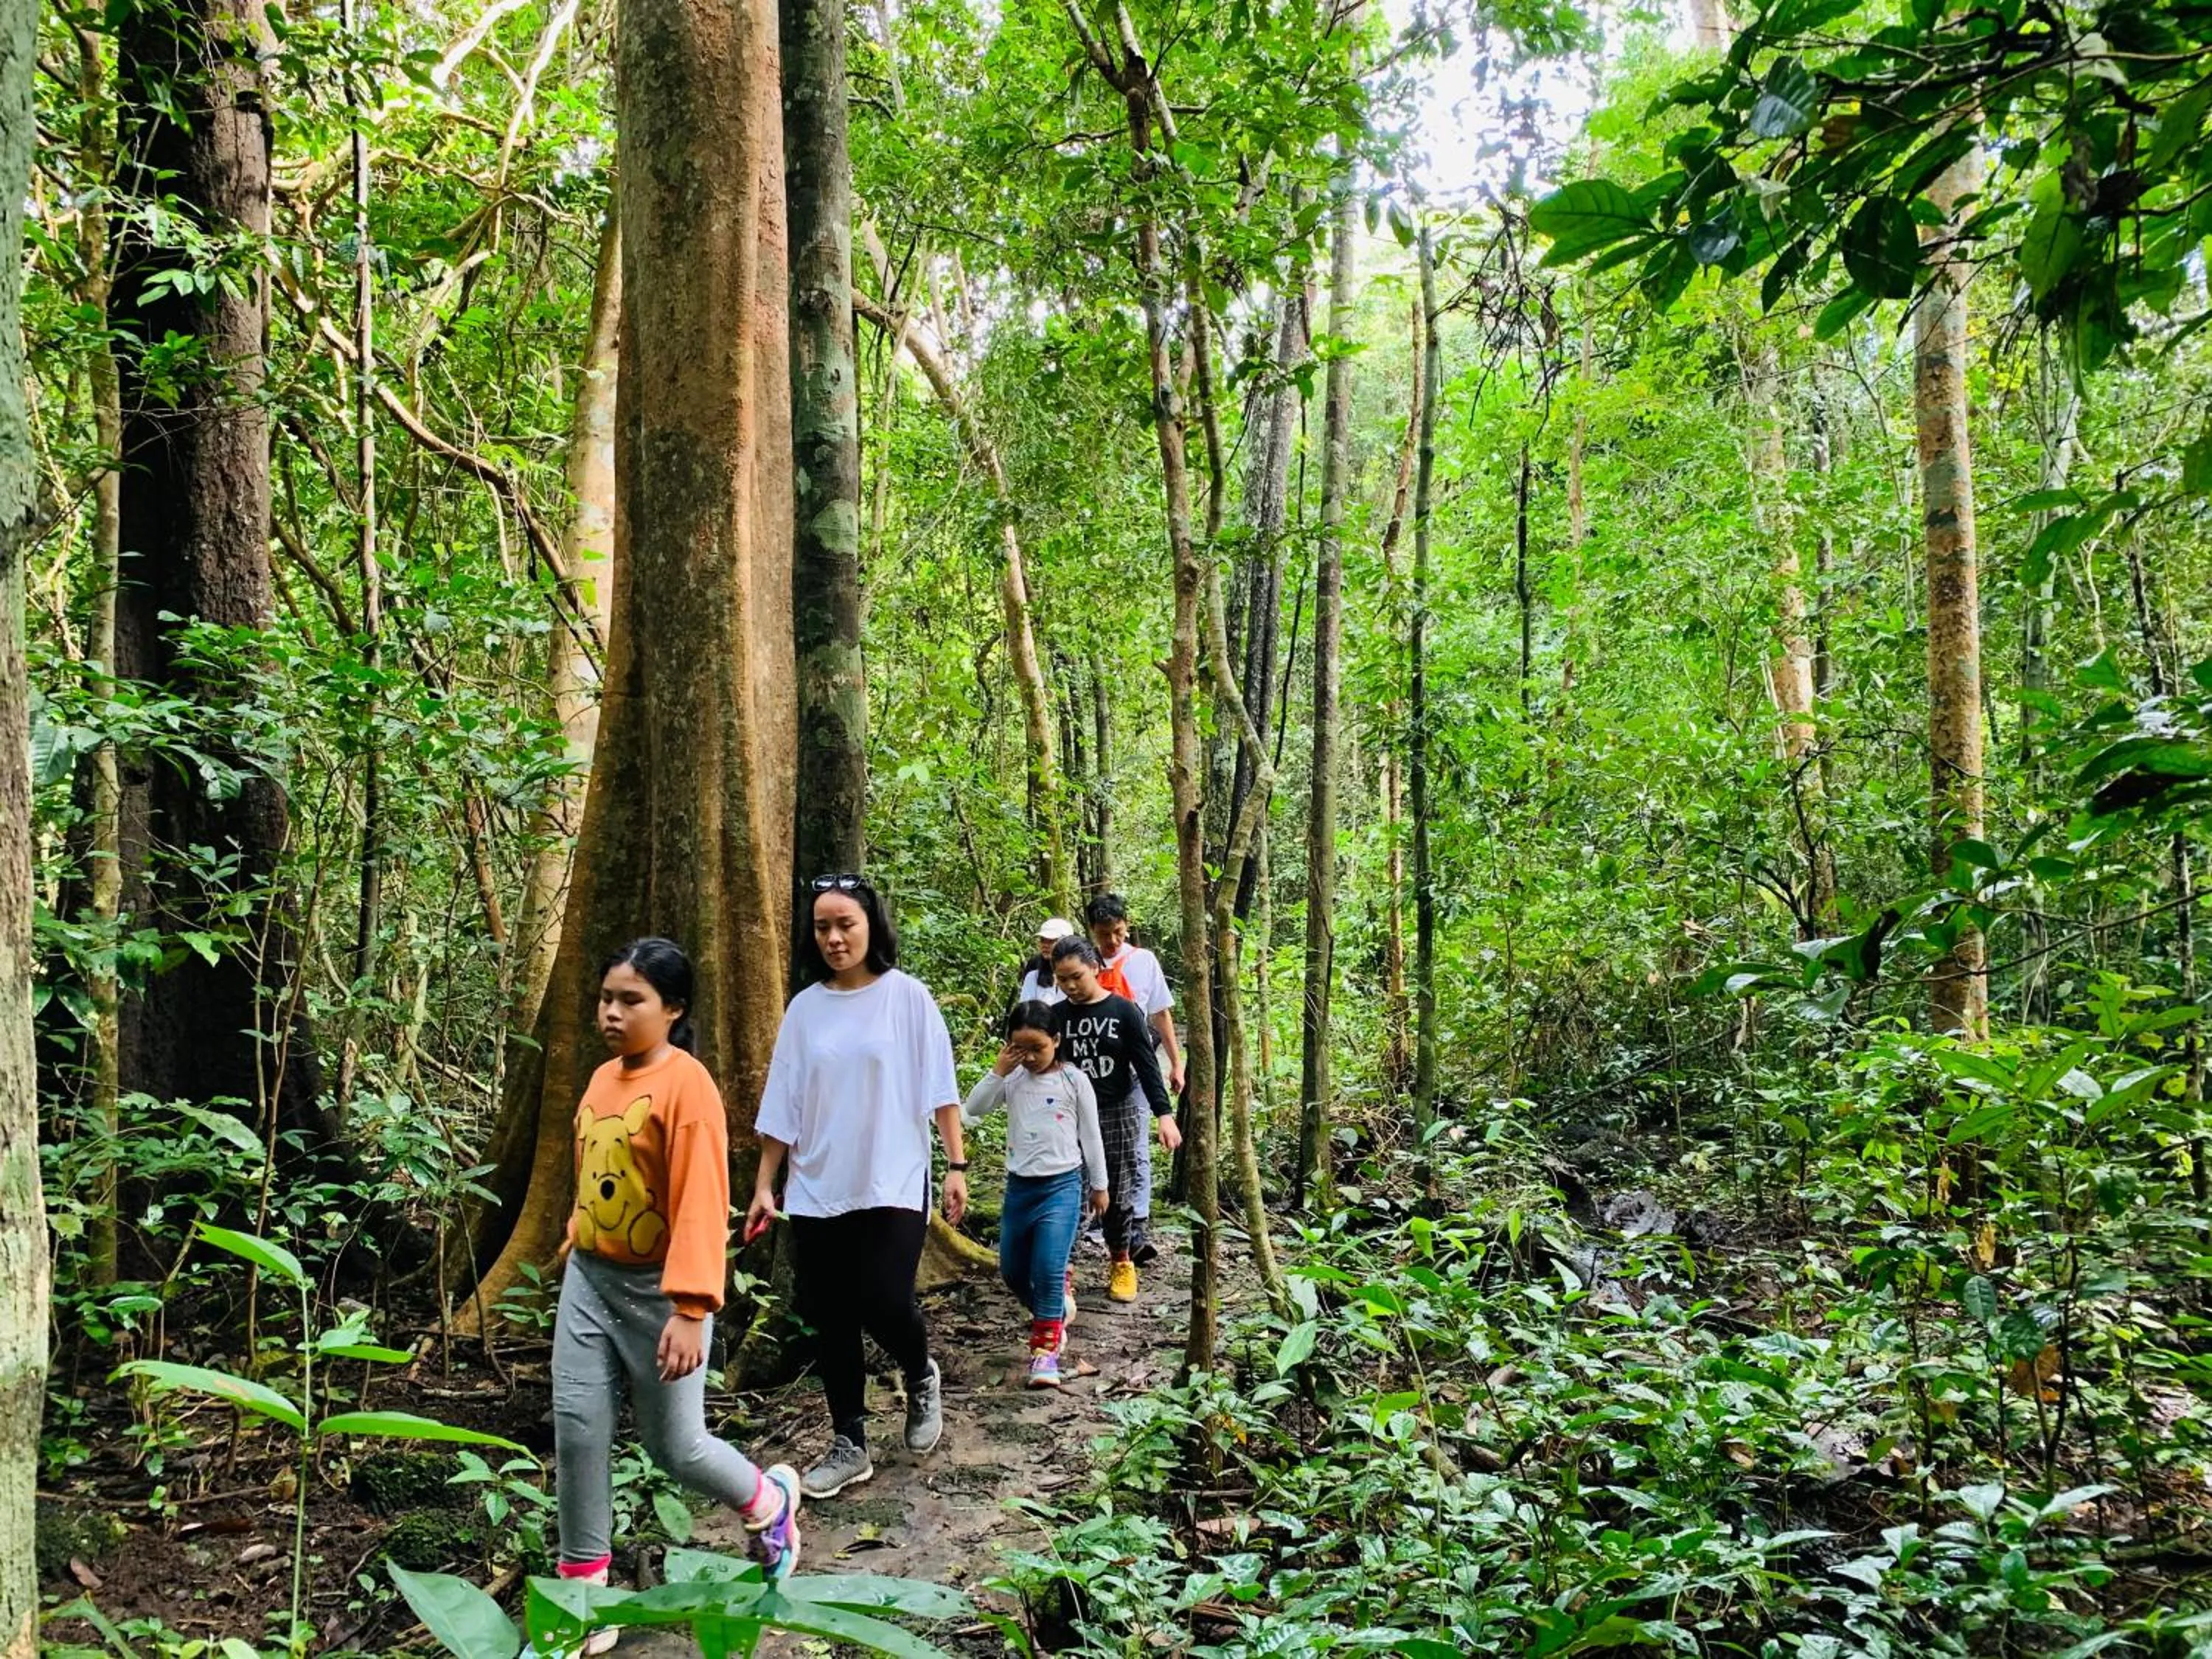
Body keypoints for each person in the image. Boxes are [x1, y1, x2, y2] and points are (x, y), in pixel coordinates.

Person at [551, 939, 801, 1657]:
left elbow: (699, 1198)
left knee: (676, 1446)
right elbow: (597, 1164)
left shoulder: (687, 1086)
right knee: (577, 1428)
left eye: (632, 1000)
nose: (612, 1012)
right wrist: (577, 1228)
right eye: (607, 998)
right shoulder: (603, 1078)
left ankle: (770, 1502)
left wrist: (693, 1309)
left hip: (662, 1291)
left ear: (674, 1009)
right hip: (591, 1282)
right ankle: (585, 1594)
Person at [748, 873, 967, 1500]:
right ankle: (850, 1441)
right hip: (818, 1184)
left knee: (883, 1299)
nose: (835, 937)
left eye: (846, 923)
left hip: (892, 1176)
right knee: (832, 1315)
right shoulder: (805, 1008)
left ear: (872, 925)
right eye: (823, 927)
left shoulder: (908, 998)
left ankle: (920, 1373)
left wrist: (955, 1166)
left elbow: (941, 1088)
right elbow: (782, 1105)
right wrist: (766, 1185)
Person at [962, 1001, 1107, 1388]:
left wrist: (1100, 1186)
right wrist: (998, 1070)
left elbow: (1091, 1136)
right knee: (1012, 1270)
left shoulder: (1073, 1081)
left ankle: (1045, 1353)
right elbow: (970, 1111)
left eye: (1037, 1048)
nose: (1028, 1057)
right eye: (1019, 1048)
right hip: (1020, 1188)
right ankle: (1056, 1308)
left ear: (1057, 1041)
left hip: (1062, 1186)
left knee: (1046, 1268)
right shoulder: (1012, 1079)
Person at [1048, 936, 1178, 1304]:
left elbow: (1148, 1067)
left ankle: (1121, 1260)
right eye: (1062, 979)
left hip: (1117, 1111)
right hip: (1069, 1117)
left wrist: (1164, 1116)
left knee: (1118, 1194)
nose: (1070, 986)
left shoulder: (1123, 1012)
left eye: (1076, 976)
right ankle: (1064, 1273)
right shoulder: (1057, 1018)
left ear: (1095, 968)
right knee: (1071, 1192)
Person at [1084, 894, 1183, 1265]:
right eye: (1104, 934)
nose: (1112, 941)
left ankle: (1135, 1223)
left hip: (1136, 1065)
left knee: (1136, 1145)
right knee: (1094, 1144)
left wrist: (1176, 1063)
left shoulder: (1144, 961)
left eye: (1119, 932)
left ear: (1127, 925)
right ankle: (1097, 1214)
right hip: (1093, 1069)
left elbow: (1160, 1014)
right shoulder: (1084, 963)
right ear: (1093, 931)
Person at [1012, 917, 1075, 1006]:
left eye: (1051, 941)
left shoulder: (1079, 976)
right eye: (1043, 940)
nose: (1045, 945)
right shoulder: (1033, 977)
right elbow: (1026, 1010)